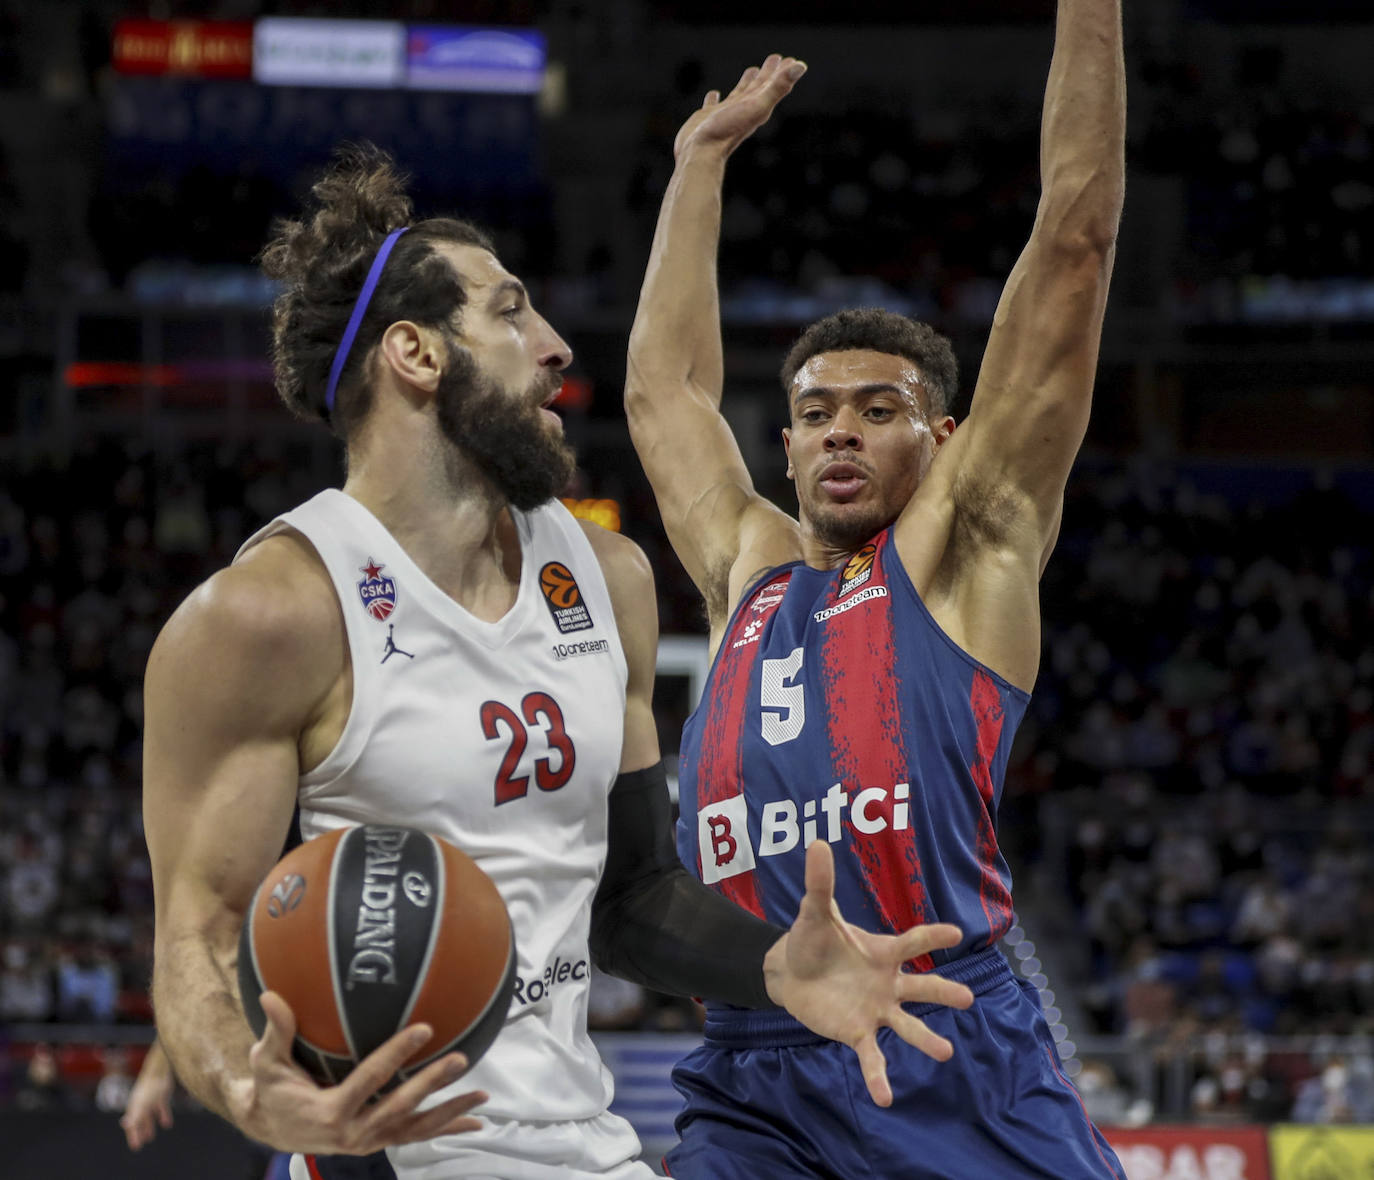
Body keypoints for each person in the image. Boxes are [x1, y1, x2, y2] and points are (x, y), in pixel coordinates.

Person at [142, 145, 975, 1180]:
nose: (555, 347)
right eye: (509, 313)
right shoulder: (270, 613)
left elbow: (631, 897)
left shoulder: (607, 580)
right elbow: (197, 939)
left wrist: (775, 962)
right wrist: (243, 1084)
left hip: (588, 1150)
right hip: (390, 1160)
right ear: (415, 352)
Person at [624, 20, 1126, 1180]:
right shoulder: (748, 570)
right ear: (787, 448)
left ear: (942, 439)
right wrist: (697, 166)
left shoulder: (969, 552)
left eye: (877, 408)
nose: (839, 426)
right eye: (813, 412)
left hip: (952, 1046)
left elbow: (1076, 241)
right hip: (757, 1064)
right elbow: (665, 390)